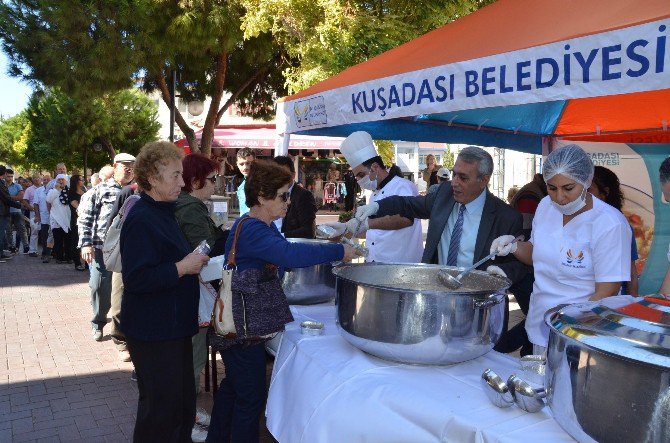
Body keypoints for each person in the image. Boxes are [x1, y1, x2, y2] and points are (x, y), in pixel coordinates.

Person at [206, 159, 357, 443]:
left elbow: (284, 253)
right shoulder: (253, 228)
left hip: (242, 325)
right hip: (244, 328)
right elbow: (289, 255)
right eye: (283, 195)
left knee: (233, 389)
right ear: (262, 197)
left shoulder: (260, 225)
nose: (288, 202)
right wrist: (338, 251)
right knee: (250, 398)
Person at [491, 144, 631, 354]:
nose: (559, 197)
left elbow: (607, 289)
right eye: (551, 187)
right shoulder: (546, 206)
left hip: (581, 332)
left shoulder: (609, 223)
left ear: (586, 181)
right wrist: (513, 247)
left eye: (568, 188)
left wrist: (568, 324)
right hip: (540, 322)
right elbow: (536, 254)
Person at [120, 141, 210, 442]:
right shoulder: (142, 218)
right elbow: (137, 279)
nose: (182, 182)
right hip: (155, 332)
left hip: (172, 329)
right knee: (161, 413)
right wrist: (182, 267)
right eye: (175, 175)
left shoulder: (162, 211)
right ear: (152, 178)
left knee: (179, 407)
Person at [174, 153, 227, 441]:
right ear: (195, 181)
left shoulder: (191, 206)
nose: (215, 183)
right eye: (212, 179)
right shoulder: (190, 208)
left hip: (189, 291)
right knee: (192, 361)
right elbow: (202, 250)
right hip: (191, 292)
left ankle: (188, 414)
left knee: (191, 360)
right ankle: (185, 422)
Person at [324, 131, 424, 263]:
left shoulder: (403, 186)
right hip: (375, 263)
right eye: (356, 177)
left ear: (375, 167)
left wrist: (367, 224)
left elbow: (406, 219)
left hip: (399, 265)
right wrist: (346, 229)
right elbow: (375, 231)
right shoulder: (374, 194)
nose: (359, 180)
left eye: (360, 174)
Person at [78, 154, 135, 341]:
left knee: (122, 291)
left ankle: (121, 329)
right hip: (102, 248)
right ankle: (98, 321)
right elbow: (85, 218)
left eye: (132, 166)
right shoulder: (99, 190)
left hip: (127, 249)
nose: (129, 169)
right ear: (115, 166)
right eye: (125, 165)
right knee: (99, 286)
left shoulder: (135, 191)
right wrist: (86, 244)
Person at [588, 165, 639, 295]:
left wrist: (632, 306)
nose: (583, 195)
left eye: (589, 190)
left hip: (608, 305)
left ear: (605, 192)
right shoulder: (577, 221)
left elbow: (631, 274)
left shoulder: (618, 225)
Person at [273, 156, 317, 238]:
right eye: (276, 173)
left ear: (293, 175)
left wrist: (279, 236)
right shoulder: (269, 194)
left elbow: (308, 231)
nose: (280, 177)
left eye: (284, 173)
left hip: (292, 246)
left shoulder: (304, 196)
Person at [46, 174, 72, 263]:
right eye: (59, 180)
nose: (61, 181)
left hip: (67, 219)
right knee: (58, 240)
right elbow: (48, 200)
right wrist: (57, 190)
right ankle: (59, 257)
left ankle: (69, 257)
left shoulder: (70, 191)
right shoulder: (53, 191)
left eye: (63, 179)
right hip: (56, 219)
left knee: (68, 240)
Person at [0, 165, 23, 261]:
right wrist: (19, 205)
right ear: (5, 174)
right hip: (1, 212)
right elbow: (6, 198)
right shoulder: (1, 184)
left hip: (3, 211)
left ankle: (1, 253)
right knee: (1, 234)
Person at [5, 169, 28, 254]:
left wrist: (7, 198)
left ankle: (26, 246)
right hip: (6, 211)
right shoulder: (2, 185)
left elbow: (21, 197)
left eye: (11, 176)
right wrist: (14, 197)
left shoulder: (18, 186)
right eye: (8, 176)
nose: (10, 178)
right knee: (8, 231)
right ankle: (12, 247)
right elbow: (17, 197)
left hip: (17, 211)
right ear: (5, 175)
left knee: (22, 229)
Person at [32, 173, 52, 262]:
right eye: (44, 180)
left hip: (55, 217)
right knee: (45, 236)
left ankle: (54, 253)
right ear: (42, 181)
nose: (46, 181)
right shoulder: (38, 191)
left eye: (48, 180)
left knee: (55, 236)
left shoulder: (55, 190)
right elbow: (35, 204)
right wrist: (37, 216)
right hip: (43, 217)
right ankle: (45, 253)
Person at [68, 174, 86, 271]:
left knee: (86, 241)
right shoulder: (71, 193)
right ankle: (77, 263)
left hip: (86, 220)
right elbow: (77, 206)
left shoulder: (85, 191)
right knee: (76, 242)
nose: (83, 181)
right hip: (76, 220)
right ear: (76, 181)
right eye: (81, 179)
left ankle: (87, 263)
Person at [23, 174, 42, 257]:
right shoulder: (29, 190)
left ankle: (47, 250)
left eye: (38, 178)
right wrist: (30, 208)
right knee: (34, 231)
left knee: (47, 231)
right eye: (35, 178)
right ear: (32, 180)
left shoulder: (45, 188)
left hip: (44, 212)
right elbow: (24, 200)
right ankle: (32, 250)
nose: (37, 179)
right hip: (34, 213)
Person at [235, 147, 255, 215]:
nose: (245, 167)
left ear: (255, 163)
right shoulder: (242, 185)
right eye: (241, 164)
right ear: (237, 164)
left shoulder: (261, 183)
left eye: (248, 163)